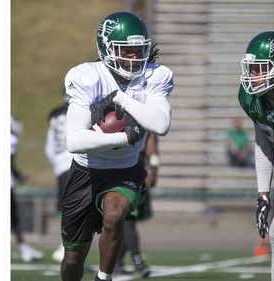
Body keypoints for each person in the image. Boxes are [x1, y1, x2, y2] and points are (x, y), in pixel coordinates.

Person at [60, 11, 174, 281]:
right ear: (106, 49)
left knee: (114, 216)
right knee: (72, 259)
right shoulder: (87, 76)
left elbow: (161, 124)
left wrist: (120, 98)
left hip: (126, 169)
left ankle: (104, 277)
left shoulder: (155, 76)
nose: (135, 57)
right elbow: (74, 141)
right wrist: (124, 137)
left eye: (138, 49)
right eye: (127, 50)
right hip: (85, 173)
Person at [238, 31, 274, 280]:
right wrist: (263, 195)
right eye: (251, 68)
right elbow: (264, 139)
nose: (253, 75)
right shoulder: (252, 99)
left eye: (259, 68)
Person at [114, 133, 159, 278]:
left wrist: (153, 170)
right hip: (121, 175)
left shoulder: (148, 126)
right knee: (128, 220)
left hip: (137, 174)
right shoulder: (120, 119)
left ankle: (118, 263)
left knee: (128, 221)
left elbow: (153, 150)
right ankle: (137, 261)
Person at [11, 114, 44, 262]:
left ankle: (24, 248)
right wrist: (20, 176)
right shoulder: (11, 139)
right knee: (14, 219)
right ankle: (25, 250)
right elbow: (9, 163)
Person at [45, 95, 74, 263]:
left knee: (67, 208)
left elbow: (49, 146)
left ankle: (66, 247)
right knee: (79, 207)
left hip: (60, 166)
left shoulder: (55, 115)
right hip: (75, 162)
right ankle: (65, 247)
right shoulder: (77, 109)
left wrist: (57, 163)